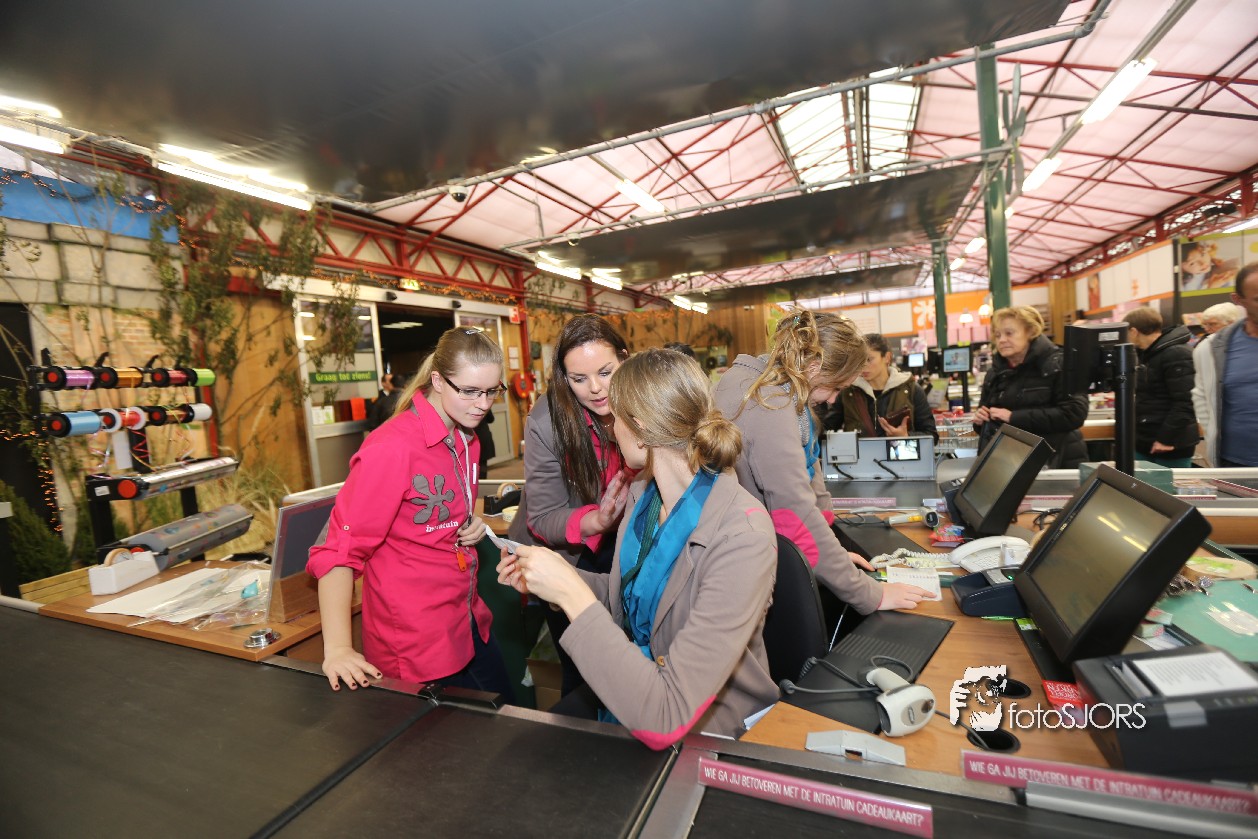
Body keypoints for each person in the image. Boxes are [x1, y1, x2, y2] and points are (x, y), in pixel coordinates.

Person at [497, 348, 778, 746]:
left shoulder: (742, 537)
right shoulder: (644, 496)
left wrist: (571, 594)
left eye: (615, 419)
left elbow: (667, 716)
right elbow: (627, 598)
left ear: (642, 429)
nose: (611, 430)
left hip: (708, 735)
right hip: (634, 696)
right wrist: (554, 579)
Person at [308, 327, 513, 696]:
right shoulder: (391, 449)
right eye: (469, 391)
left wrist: (469, 523)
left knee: (511, 715)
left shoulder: (467, 438)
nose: (483, 404)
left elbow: (434, 516)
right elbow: (338, 551)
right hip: (417, 642)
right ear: (438, 380)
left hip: (467, 618)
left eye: (491, 391)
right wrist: (337, 648)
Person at [712, 309, 932, 615]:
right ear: (813, 367)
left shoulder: (768, 387)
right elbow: (795, 513)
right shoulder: (769, 405)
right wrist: (869, 593)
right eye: (836, 388)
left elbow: (808, 474)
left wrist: (832, 560)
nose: (833, 400)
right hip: (741, 570)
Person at [508, 314, 632, 694]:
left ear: (624, 358)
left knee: (628, 662)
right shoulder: (547, 421)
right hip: (566, 550)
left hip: (622, 542)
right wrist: (600, 521)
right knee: (584, 674)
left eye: (606, 372)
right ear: (564, 378)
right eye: (579, 379)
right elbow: (543, 517)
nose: (595, 388)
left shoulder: (642, 399)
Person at [974, 306, 1087, 469]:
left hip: (1056, 460)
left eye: (1009, 333)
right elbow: (987, 423)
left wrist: (1013, 417)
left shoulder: (1059, 364)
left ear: (1031, 332)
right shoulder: (995, 373)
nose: (1002, 340)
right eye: (997, 335)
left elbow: (1074, 413)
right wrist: (981, 420)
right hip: (1010, 463)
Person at [1192, 262, 1258, 467]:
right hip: (1235, 464)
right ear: (1238, 300)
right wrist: (1212, 435)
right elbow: (1202, 396)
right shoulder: (1211, 349)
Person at [1124, 306, 1198, 468]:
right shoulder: (1146, 354)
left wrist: (1166, 439)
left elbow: (1186, 402)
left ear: (1134, 331)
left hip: (1170, 444)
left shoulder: (1176, 354)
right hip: (1147, 440)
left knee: (1169, 484)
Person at [830, 333, 937, 441]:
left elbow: (931, 435)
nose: (863, 366)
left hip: (900, 452)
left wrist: (906, 436)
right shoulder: (848, 392)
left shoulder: (911, 389)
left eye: (869, 359)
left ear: (887, 357)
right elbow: (827, 428)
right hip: (860, 453)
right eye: (859, 361)